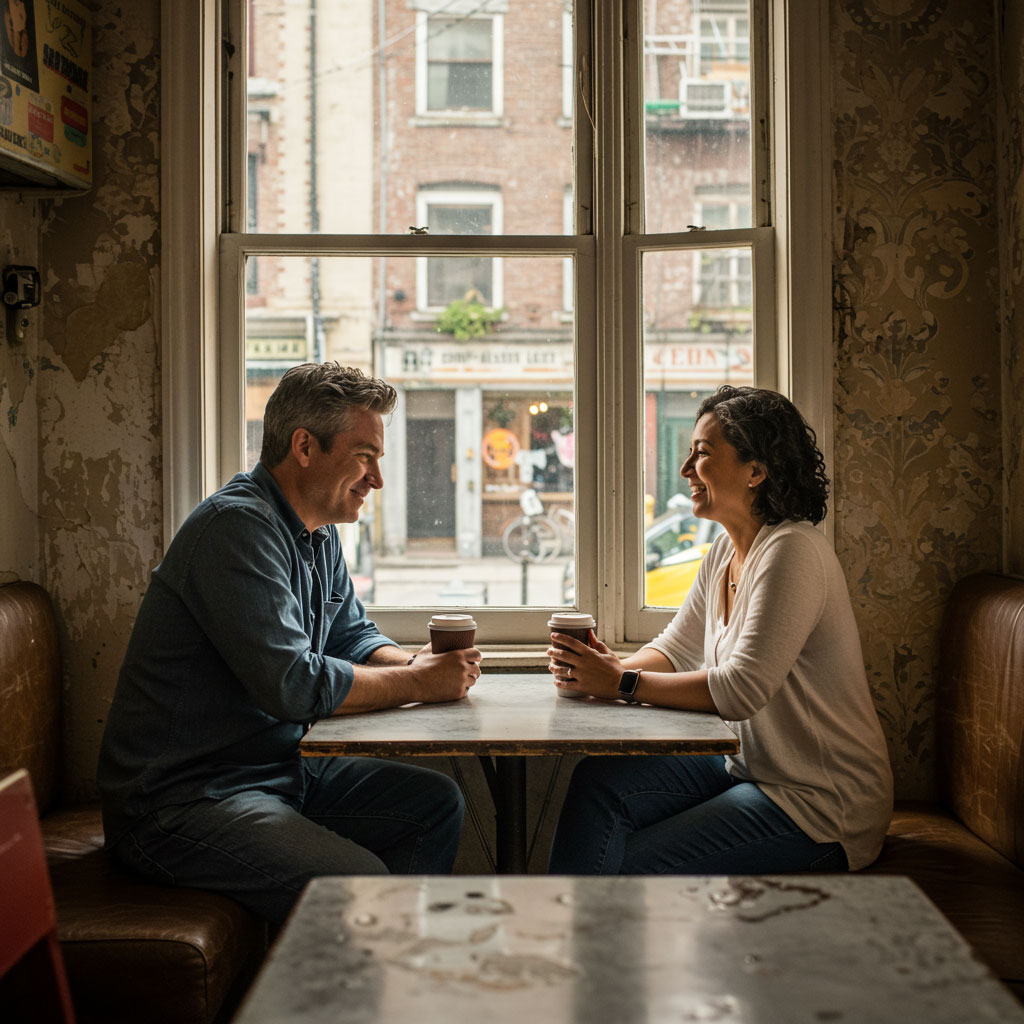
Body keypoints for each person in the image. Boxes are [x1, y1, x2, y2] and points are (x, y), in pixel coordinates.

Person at [99, 362, 480, 923]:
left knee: (435, 804)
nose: (377, 479)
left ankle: (383, 975)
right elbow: (293, 685)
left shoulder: (316, 530)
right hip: (181, 802)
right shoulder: (235, 529)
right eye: (365, 457)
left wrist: (413, 662)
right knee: (360, 886)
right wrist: (420, 681)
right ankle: (354, 989)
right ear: (304, 446)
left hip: (273, 769)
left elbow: (351, 633)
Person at [546, 385, 893, 875]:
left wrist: (620, 684)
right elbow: (676, 648)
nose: (686, 469)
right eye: (689, 453)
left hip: (817, 803)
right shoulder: (723, 554)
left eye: (703, 453)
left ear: (756, 470)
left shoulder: (793, 552)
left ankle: (581, 941)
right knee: (597, 784)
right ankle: (563, 936)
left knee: (632, 868)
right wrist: (603, 670)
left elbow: (740, 690)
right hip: (748, 766)